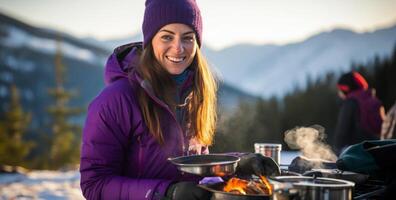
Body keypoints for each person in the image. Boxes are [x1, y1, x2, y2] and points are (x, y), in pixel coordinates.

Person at [79, 0, 279, 199]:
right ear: (150, 41)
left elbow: (196, 169)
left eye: (188, 38)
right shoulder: (116, 100)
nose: (178, 48)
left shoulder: (193, 93)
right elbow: (95, 184)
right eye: (167, 37)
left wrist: (238, 164)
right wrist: (166, 192)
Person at [333, 71, 385, 154]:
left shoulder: (350, 102)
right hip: (378, 148)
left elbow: (342, 131)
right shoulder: (372, 99)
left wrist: (336, 152)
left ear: (345, 89)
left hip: (358, 151)